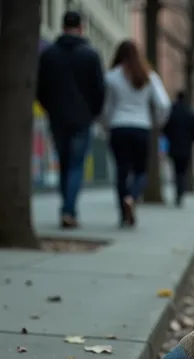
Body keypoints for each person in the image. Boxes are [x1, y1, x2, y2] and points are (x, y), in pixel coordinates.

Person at [37, 10, 105, 228]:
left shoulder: (49, 54)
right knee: (76, 165)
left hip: (58, 117)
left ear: (62, 26)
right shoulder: (90, 55)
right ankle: (69, 210)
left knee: (64, 164)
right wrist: (92, 113)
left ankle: (67, 208)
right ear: (81, 27)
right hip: (81, 119)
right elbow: (98, 91)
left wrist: (50, 109)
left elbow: (41, 89)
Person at [102, 41, 170, 226]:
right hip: (141, 128)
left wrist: (106, 124)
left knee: (121, 172)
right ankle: (132, 197)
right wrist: (157, 122)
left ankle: (123, 215)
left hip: (118, 127)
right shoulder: (149, 76)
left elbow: (106, 107)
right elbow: (163, 104)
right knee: (141, 171)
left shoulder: (111, 77)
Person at [163, 91, 194, 207]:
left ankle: (177, 194)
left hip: (174, 146)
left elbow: (165, 128)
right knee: (183, 172)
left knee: (176, 171)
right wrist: (190, 140)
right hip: (186, 147)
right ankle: (180, 194)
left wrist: (170, 137)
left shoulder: (172, 111)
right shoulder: (190, 112)